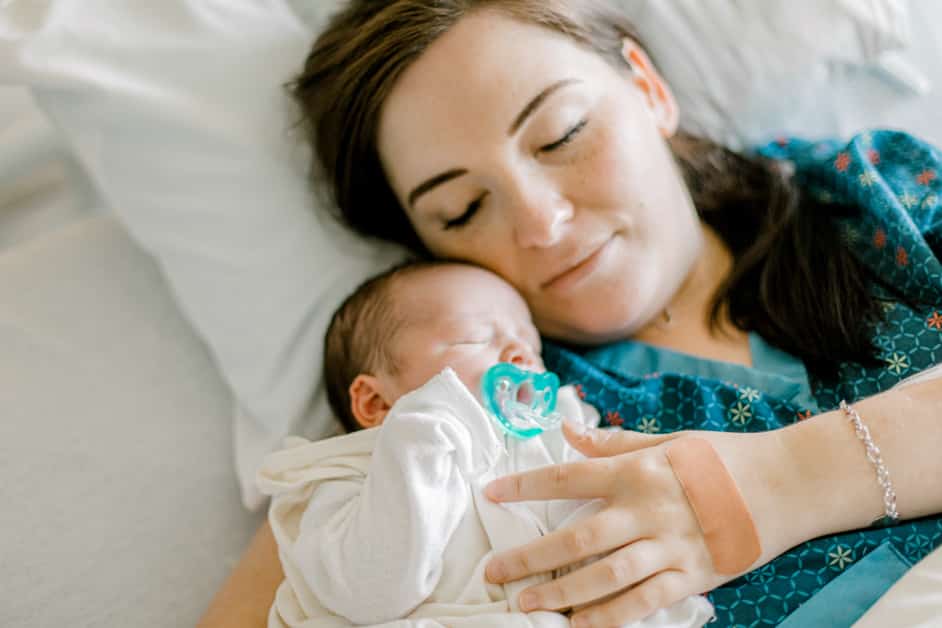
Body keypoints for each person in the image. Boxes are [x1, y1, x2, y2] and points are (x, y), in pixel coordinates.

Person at [199, 1, 942, 627]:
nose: (542, 222)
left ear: (647, 87)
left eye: (560, 135)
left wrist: (784, 480)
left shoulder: (873, 202)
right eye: (462, 210)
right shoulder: (452, 416)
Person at [256, 259, 714, 627]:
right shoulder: (343, 482)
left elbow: (630, 513)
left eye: (530, 345)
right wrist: (419, 438)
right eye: (477, 337)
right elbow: (369, 591)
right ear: (376, 403)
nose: (519, 355)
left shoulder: (562, 434)